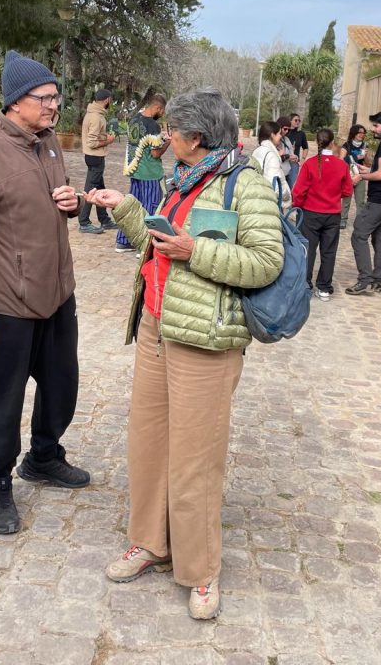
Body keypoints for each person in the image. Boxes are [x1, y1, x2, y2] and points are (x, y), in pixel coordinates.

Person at [85, 89, 283, 621]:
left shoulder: (247, 185)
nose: (164, 136)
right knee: (148, 443)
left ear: (197, 137)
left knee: (196, 456)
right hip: (155, 325)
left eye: (173, 129)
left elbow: (265, 262)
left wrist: (197, 251)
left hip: (205, 340)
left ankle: (200, 570)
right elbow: (159, 241)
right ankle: (151, 542)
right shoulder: (181, 180)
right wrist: (125, 208)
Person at [0, 50, 89, 537]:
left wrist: (71, 204)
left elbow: (56, 200)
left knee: (62, 386)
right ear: (15, 103)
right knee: (2, 402)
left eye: (55, 97)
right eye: (45, 98)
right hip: (7, 304)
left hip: (56, 296)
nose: (54, 106)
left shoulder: (49, 145)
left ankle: (44, 455)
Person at [345, 110, 381, 296]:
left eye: (376, 125)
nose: (373, 129)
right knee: (380, 240)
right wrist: (369, 168)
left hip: (379, 201)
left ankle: (364, 280)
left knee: (359, 235)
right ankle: (377, 280)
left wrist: (361, 175)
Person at [292, 128, 353, 301]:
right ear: (333, 143)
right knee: (329, 251)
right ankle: (324, 287)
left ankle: (305, 284)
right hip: (332, 213)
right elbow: (347, 191)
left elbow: (299, 191)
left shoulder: (310, 164)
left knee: (308, 250)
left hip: (310, 212)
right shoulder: (342, 165)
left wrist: (297, 206)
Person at [116, 93, 170, 253]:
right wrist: (168, 142)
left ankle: (123, 241)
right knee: (151, 208)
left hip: (135, 171)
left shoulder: (134, 120)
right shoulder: (152, 126)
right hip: (150, 174)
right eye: (163, 111)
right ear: (158, 108)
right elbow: (155, 153)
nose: (163, 114)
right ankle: (145, 246)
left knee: (131, 207)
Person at [77, 88, 117, 234]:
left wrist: (103, 136)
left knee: (99, 188)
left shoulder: (93, 113)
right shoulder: (96, 117)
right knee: (91, 190)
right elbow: (92, 142)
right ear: (107, 100)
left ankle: (104, 220)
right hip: (95, 157)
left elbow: (94, 136)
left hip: (93, 156)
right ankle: (84, 222)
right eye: (110, 100)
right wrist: (108, 140)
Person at [252, 120, 292, 209]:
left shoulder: (256, 151)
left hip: (256, 199)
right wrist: (287, 195)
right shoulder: (271, 155)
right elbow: (275, 187)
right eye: (279, 134)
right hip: (269, 203)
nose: (281, 136)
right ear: (272, 135)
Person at [339, 124, 368, 229]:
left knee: (360, 201)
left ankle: (360, 221)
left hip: (360, 176)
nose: (362, 134)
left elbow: (368, 164)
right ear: (354, 132)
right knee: (346, 199)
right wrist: (356, 157)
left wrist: (366, 156)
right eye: (360, 132)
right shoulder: (347, 145)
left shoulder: (364, 146)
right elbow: (341, 160)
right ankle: (343, 220)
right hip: (349, 176)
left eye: (363, 133)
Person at [286, 113, 309, 188]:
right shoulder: (285, 132)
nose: (298, 122)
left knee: (291, 185)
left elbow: (305, 147)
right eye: (296, 120)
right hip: (284, 161)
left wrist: (302, 159)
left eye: (299, 120)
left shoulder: (301, 134)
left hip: (294, 163)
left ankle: (290, 199)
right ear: (290, 121)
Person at [276, 116, 298, 183]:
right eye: (285, 129)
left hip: (287, 174)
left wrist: (295, 157)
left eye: (288, 129)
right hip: (277, 174)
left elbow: (292, 154)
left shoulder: (287, 140)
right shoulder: (272, 140)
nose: (287, 131)